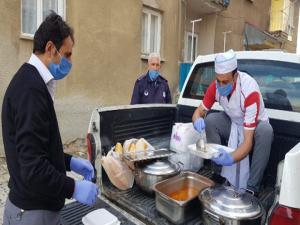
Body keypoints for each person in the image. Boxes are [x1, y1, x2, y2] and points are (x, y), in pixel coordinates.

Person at [2, 13, 98, 225]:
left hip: (35, 208)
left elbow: (38, 149)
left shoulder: (32, 81)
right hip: (32, 212)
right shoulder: (30, 90)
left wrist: (69, 162)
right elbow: (33, 168)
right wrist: (73, 188)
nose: (70, 62)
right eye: (68, 54)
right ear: (50, 49)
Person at [192, 49, 273, 194]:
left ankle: (252, 187)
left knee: (266, 131)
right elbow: (198, 112)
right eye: (218, 81)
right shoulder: (215, 87)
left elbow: (248, 141)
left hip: (254, 127)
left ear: (235, 76)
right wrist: (197, 120)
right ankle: (217, 172)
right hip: (234, 121)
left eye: (225, 82)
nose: (221, 86)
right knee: (210, 120)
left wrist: (230, 158)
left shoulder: (249, 91)